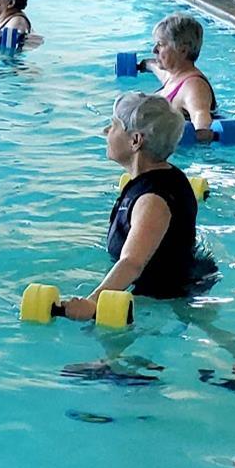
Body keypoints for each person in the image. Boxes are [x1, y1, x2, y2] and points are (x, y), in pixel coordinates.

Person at [62, 92, 216, 321]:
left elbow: (132, 263)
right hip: (181, 284)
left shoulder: (152, 200)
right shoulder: (167, 176)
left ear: (136, 141)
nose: (106, 131)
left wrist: (93, 302)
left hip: (161, 305)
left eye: (114, 125)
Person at [145, 12, 217, 143]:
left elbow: (201, 120)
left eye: (160, 44)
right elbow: (154, 67)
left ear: (183, 50)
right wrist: (144, 65)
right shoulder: (173, 75)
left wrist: (200, 135)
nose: (154, 50)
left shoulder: (193, 87)